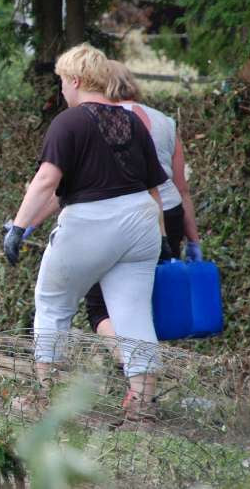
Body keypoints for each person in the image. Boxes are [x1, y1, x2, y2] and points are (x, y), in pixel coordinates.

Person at [3, 43, 172, 422]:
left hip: (94, 223)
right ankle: (144, 405)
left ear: (75, 80)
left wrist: (16, 228)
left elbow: (47, 180)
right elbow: (152, 188)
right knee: (132, 315)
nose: (61, 89)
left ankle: (44, 399)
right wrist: (161, 237)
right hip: (141, 223)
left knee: (52, 303)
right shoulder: (132, 121)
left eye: (62, 81)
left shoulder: (70, 121)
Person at [85, 60, 202, 345]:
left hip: (122, 216)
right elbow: (181, 188)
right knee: (155, 296)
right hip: (169, 216)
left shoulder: (100, 119)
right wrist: (194, 240)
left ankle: (134, 367)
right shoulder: (164, 121)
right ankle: (151, 370)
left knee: (101, 307)